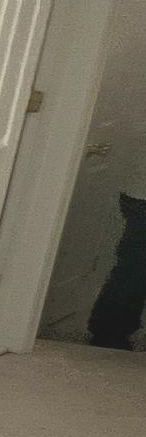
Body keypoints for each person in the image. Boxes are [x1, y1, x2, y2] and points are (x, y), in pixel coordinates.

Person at [86, 150, 146, 350]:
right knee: (134, 269)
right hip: (141, 198)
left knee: (133, 268)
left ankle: (109, 330)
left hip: (138, 195)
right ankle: (109, 332)